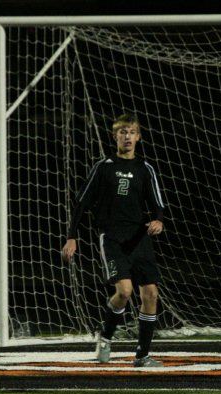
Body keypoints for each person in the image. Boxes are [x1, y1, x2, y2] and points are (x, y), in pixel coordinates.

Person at [62, 113, 166, 368]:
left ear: (138, 137)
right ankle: (106, 336)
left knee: (151, 294)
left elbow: (157, 204)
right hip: (112, 237)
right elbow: (81, 202)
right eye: (122, 132)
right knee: (124, 291)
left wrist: (158, 221)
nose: (127, 136)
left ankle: (142, 355)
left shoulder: (145, 168)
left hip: (139, 237)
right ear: (115, 136)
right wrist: (72, 236)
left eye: (131, 132)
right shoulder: (103, 167)